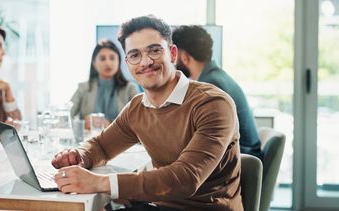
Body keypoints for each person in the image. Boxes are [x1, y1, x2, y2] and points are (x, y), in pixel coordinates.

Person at [52, 15, 243, 211]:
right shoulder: (137, 108)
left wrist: (100, 183)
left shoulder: (213, 103)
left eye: (154, 51)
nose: (145, 62)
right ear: (128, 63)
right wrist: (79, 156)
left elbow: (186, 178)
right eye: (134, 55)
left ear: (173, 54)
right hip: (159, 206)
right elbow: (102, 146)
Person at [172, 25, 263, 159]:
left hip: (241, 160)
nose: (173, 61)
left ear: (185, 57)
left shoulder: (211, 84)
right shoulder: (215, 77)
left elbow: (203, 135)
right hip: (242, 154)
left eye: (174, 54)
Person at [69, 39, 139, 129]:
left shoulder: (130, 88)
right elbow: (65, 118)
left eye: (112, 58)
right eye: (102, 59)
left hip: (121, 142)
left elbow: (141, 121)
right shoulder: (83, 88)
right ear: (94, 63)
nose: (108, 63)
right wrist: (82, 123)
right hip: (89, 140)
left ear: (119, 61)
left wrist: (110, 125)